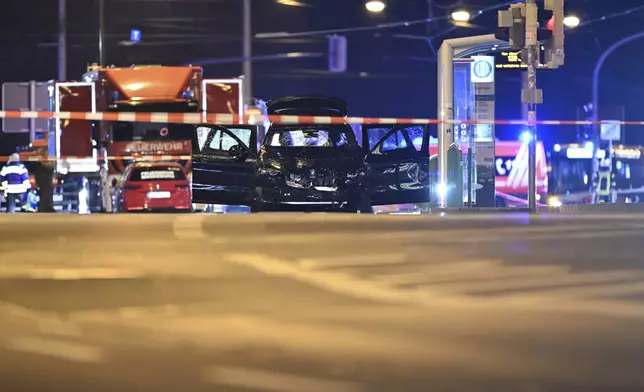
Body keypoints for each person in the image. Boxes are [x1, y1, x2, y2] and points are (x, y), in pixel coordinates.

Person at [33, 147, 56, 212]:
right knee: (44, 195)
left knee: (47, 196)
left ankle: (47, 209)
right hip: (42, 181)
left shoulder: (48, 160)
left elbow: (50, 167)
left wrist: (42, 161)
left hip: (47, 181)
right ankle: (43, 209)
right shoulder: (38, 161)